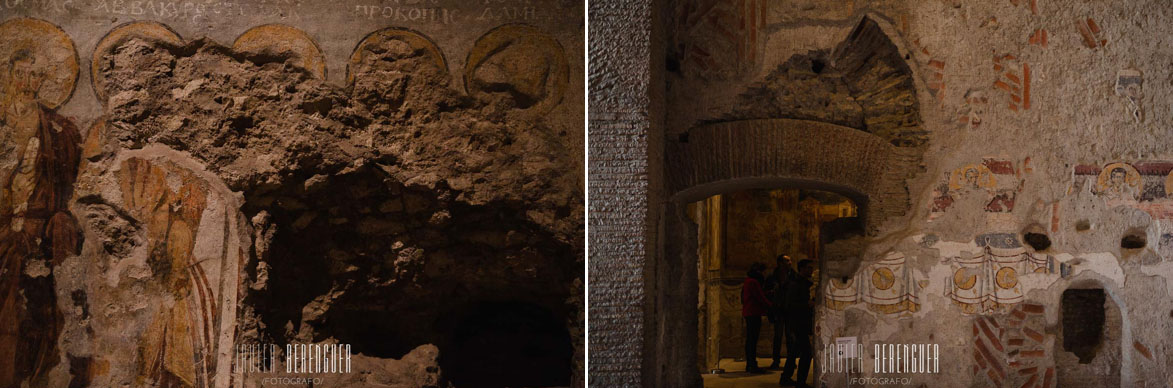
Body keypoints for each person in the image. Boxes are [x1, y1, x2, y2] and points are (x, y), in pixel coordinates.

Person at [780, 259, 815, 388]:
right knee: (807, 353)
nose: (811, 270)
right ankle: (800, 382)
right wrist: (807, 304)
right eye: (808, 268)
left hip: (800, 323)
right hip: (798, 323)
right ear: (801, 269)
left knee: (794, 352)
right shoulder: (795, 284)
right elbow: (789, 305)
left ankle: (785, 377)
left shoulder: (802, 283)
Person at [741, 262, 771, 373]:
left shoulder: (749, 281)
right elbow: (759, 297)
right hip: (753, 312)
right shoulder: (753, 282)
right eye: (763, 271)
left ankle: (751, 363)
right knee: (752, 340)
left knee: (751, 339)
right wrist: (771, 306)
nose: (764, 274)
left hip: (750, 312)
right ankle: (751, 364)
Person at [763, 254, 791, 369]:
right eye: (787, 261)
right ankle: (776, 360)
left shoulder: (792, 275)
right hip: (778, 310)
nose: (790, 263)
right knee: (778, 336)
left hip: (790, 309)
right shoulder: (772, 277)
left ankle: (791, 360)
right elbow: (766, 291)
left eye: (790, 261)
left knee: (790, 337)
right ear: (780, 263)